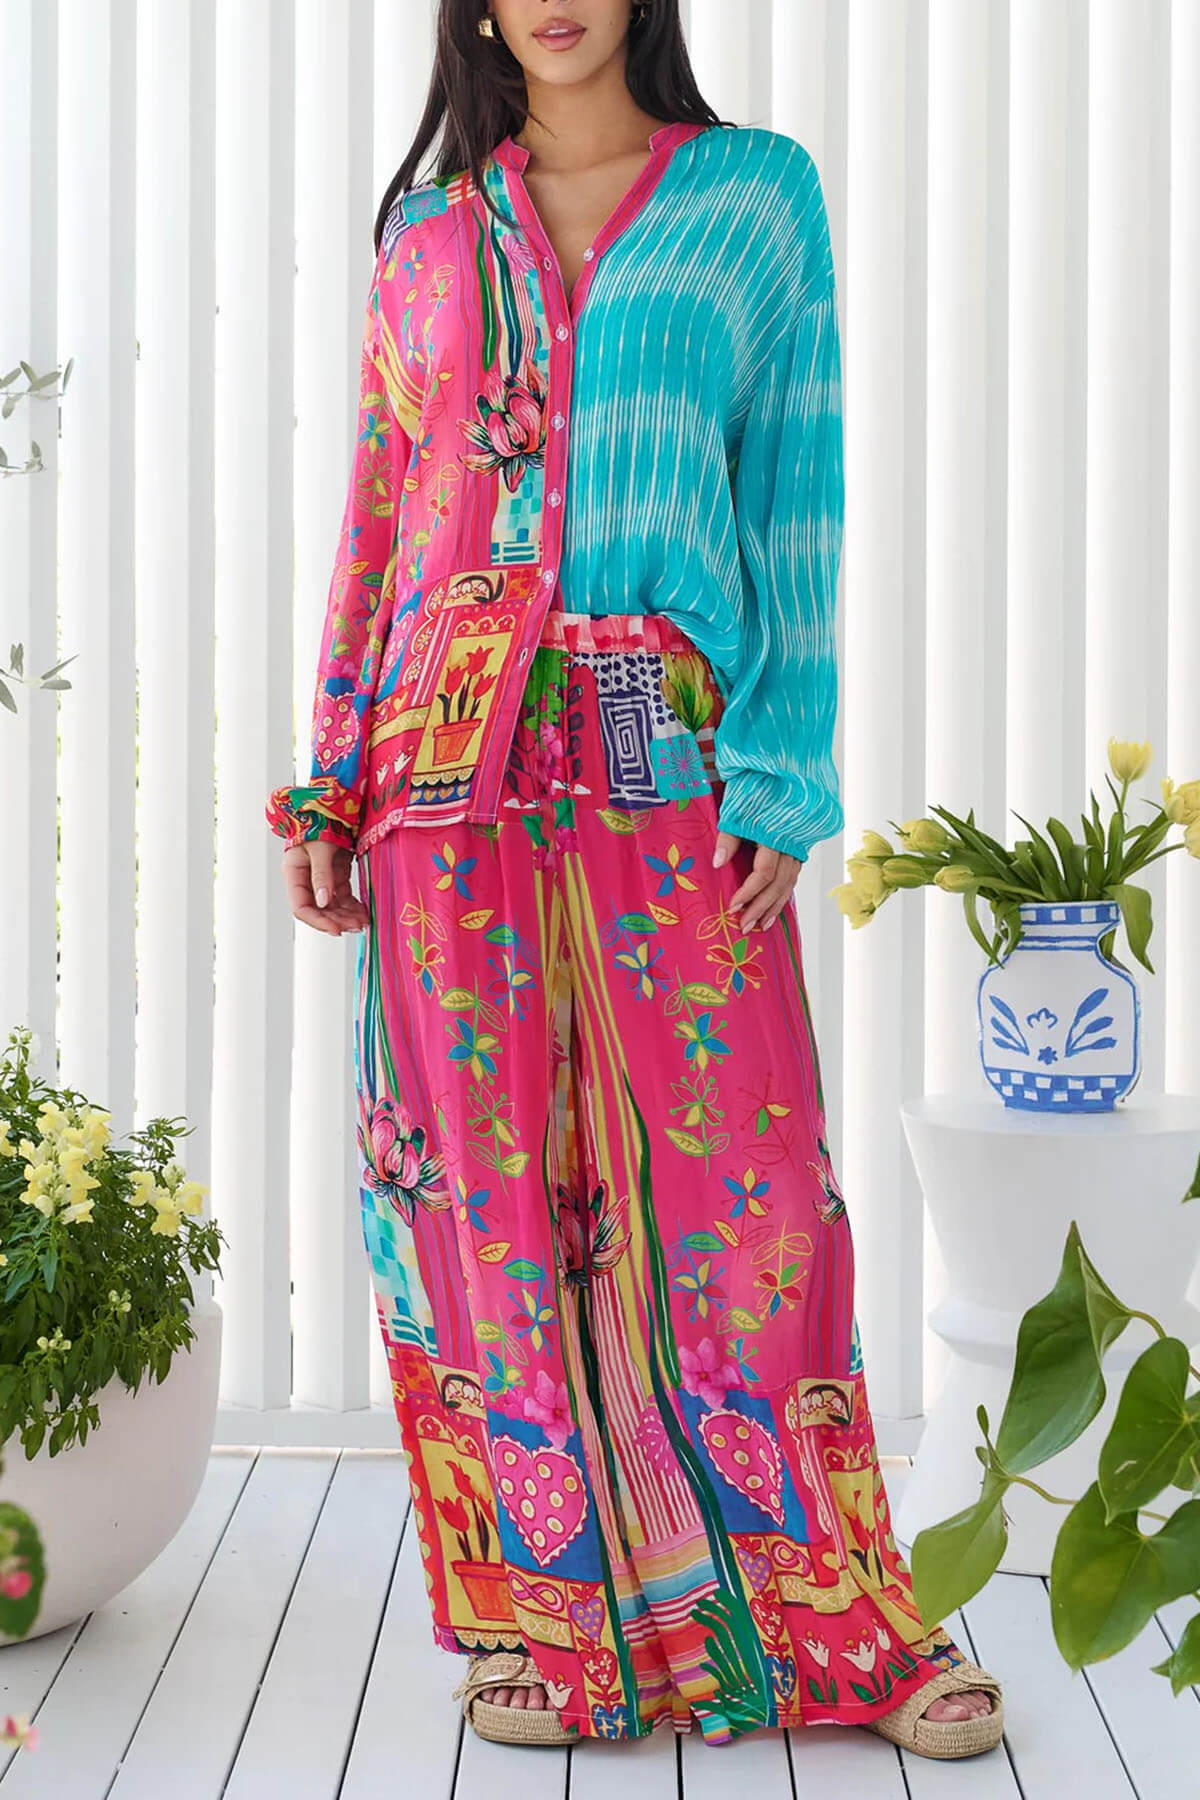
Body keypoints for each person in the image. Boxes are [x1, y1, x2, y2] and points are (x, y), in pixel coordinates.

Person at [265, 0, 1003, 1760]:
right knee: (485, 1199)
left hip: (656, 722)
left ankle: (843, 1623)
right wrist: (328, 774)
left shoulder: (754, 197)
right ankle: (546, 1622)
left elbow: (795, 488)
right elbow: (382, 512)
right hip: (440, 758)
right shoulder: (428, 238)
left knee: (747, 1186)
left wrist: (785, 765)